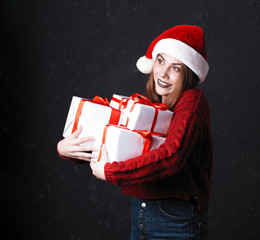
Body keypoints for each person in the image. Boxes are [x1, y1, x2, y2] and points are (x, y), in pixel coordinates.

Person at [57, 25, 213, 240]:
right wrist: (67, 149)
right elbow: (115, 148)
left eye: (176, 68)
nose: (164, 73)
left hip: (175, 218)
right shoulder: (151, 106)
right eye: (160, 61)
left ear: (188, 73)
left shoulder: (192, 101)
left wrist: (113, 172)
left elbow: (172, 156)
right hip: (142, 211)